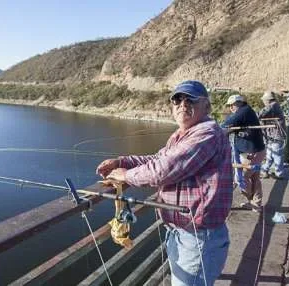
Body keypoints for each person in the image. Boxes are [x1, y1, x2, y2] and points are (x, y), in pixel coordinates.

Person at [96, 80, 233, 286]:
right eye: (177, 99)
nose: (182, 104)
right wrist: (122, 161)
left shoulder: (207, 133)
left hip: (198, 237)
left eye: (191, 99)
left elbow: (164, 169)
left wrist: (126, 176)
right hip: (182, 232)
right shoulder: (181, 135)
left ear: (206, 106)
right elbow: (157, 160)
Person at [221, 94, 265, 212]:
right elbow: (234, 125)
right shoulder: (246, 112)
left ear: (240, 103)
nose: (231, 108)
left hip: (251, 153)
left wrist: (219, 130)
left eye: (232, 105)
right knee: (255, 178)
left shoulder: (244, 111)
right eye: (229, 106)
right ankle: (256, 204)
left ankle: (252, 202)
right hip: (255, 151)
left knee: (241, 179)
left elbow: (228, 122)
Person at [258, 91, 286, 179]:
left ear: (268, 100)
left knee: (276, 155)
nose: (263, 102)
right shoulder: (274, 106)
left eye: (264, 100)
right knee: (270, 155)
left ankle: (279, 173)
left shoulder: (272, 106)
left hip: (276, 135)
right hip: (272, 135)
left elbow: (261, 114)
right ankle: (265, 170)